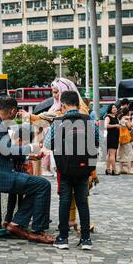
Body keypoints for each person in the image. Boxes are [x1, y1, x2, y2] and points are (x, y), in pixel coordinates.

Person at [0, 96, 55, 244]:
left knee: (38, 185)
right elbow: (7, 150)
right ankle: (37, 231)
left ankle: (17, 224)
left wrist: (28, 158)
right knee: (43, 185)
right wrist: (31, 148)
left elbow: (3, 152)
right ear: (12, 111)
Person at [44, 91, 99, 250]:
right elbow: (96, 141)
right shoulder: (89, 120)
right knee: (83, 201)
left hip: (65, 168)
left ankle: (63, 238)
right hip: (84, 168)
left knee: (65, 201)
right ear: (78, 103)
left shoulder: (58, 121)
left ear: (63, 105)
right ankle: (86, 239)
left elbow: (48, 145)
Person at [3, 125, 35, 229]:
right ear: (19, 140)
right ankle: (9, 219)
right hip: (14, 177)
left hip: (22, 176)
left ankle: (19, 219)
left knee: (20, 198)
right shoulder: (13, 147)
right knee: (12, 198)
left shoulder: (19, 147)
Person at [117, 107, 133, 174]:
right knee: (129, 153)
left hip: (121, 138)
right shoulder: (126, 119)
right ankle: (130, 169)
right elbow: (130, 127)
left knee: (121, 153)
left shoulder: (120, 118)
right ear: (128, 112)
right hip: (126, 139)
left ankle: (121, 168)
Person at [104, 104, 120, 175]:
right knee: (112, 154)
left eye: (115, 107)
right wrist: (115, 125)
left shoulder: (116, 117)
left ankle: (108, 169)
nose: (115, 108)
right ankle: (114, 170)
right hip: (111, 137)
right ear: (110, 109)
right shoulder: (108, 117)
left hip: (115, 136)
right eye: (113, 107)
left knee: (110, 154)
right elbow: (106, 125)